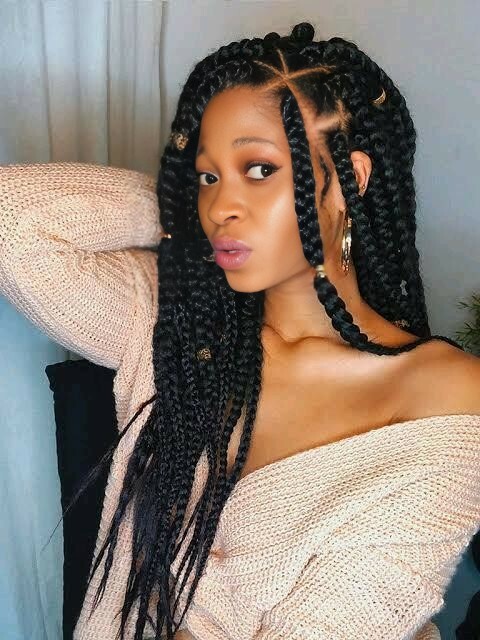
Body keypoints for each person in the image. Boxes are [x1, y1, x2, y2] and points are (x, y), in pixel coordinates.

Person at [1, 21, 479, 640]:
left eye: (258, 169)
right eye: (206, 176)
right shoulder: (174, 320)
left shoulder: (446, 399)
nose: (220, 207)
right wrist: (176, 208)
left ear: (349, 179)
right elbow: (15, 223)